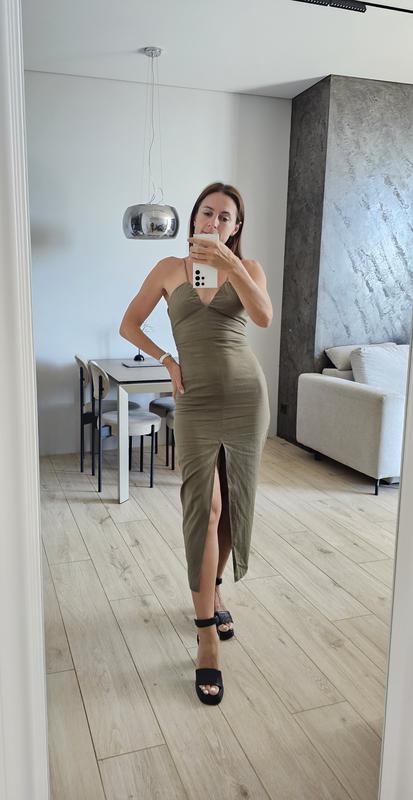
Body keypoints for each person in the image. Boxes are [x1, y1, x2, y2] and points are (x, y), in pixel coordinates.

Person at [119, 182, 272, 705]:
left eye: (225, 217)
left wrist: (231, 264)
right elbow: (129, 324)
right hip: (196, 402)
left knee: (233, 509)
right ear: (193, 218)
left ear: (236, 227)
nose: (214, 222)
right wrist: (167, 360)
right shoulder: (168, 269)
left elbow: (263, 317)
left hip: (247, 398)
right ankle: (206, 632)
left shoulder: (248, 269)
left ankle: (215, 588)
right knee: (204, 509)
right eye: (208, 213)